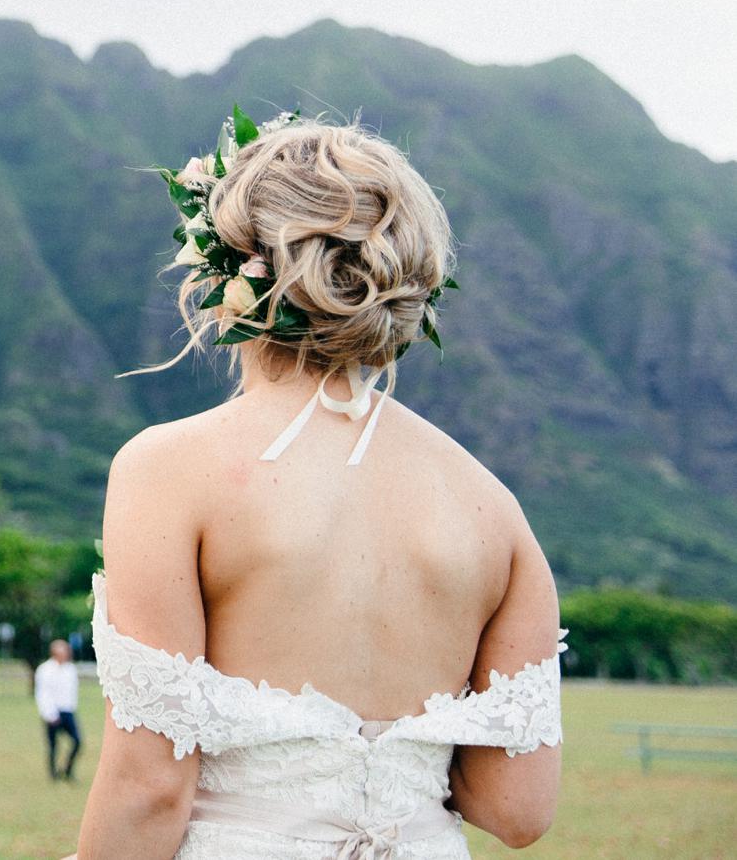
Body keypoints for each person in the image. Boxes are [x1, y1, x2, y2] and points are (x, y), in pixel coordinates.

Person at [76, 115, 563, 860]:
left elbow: (151, 787)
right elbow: (519, 808)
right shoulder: (493, 507)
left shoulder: (168, 469)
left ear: (224, 271)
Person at [35, 638, 82, 780]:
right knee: (53, 745)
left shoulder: (71, 669)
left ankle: (68, 770)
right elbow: (43, 693)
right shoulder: (45, 670)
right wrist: (49, 713)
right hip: (52, 712)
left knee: (77, 741)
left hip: (68, 710)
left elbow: (72, 691)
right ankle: (53, 773)